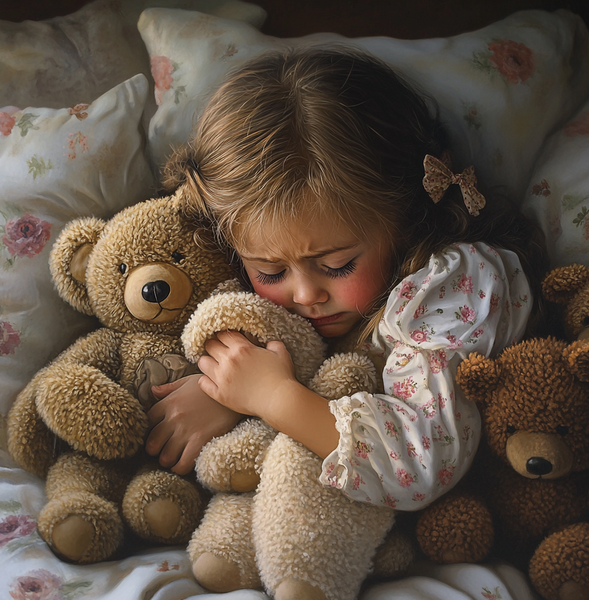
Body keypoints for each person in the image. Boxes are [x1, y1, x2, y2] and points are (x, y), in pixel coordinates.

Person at [146, 47, 547, 596]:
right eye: (268, 270)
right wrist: (223, 389)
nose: (306, 294)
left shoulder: (453, 288)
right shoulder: (261, 286)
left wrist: (272, 399)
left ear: (401, 218)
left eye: (337, 265)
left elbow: (425, 460)